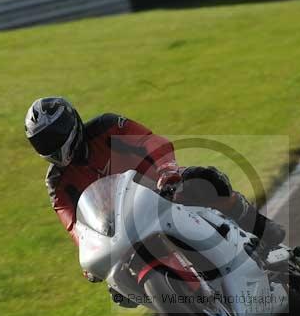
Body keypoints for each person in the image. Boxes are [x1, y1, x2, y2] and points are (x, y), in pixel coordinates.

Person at [24, 96, 285, 260]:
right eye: (42, 141)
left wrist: (167, 170)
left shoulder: (108, 126)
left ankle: (257, 225)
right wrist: (89, 254)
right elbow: (73, 227)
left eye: (54, 135)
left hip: (162, 186)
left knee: (205, 181)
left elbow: (153, 142)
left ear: (71, 123)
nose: (52, 145)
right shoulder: (57, 181)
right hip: (124, 225)